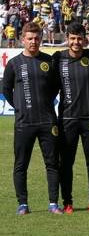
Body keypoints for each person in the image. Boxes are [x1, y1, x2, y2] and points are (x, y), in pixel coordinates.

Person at [3, 22, 61, 215]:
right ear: (23, 40)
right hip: (24, 122)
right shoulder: (14, 64)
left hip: (47, 121)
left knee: (52, 163)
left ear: (41, 39)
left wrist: (45, 103)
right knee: (21, 164)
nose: (33, 42)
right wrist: (19, 107)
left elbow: (55, 87)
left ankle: (53, 203)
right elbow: (5, 89)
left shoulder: (49, 61)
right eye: (29, 38)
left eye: (36, 38)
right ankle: (23, 204)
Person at [54, 21, 89, 213]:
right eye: (72, 38)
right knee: (66, 163)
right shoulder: (58, 58)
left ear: (85, 39)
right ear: (67, 39)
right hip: (67, 119)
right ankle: (68, 202)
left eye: (79, 38)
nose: (76, 42)